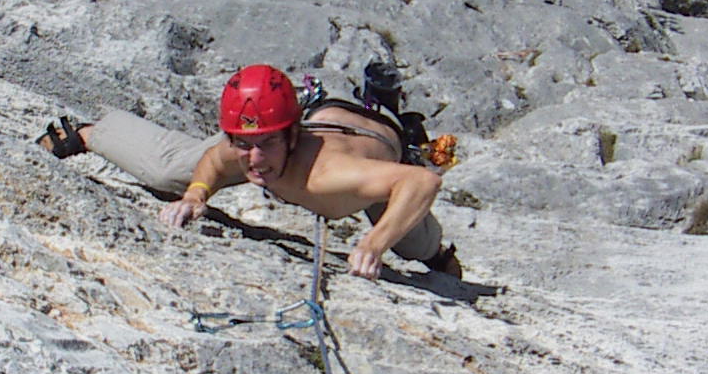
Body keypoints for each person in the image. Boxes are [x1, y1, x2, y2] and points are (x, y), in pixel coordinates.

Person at [39, 65, 460, 280]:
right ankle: (88, 132)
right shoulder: (248, 147)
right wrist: (196, 194)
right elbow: (214, 160)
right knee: (168, 172)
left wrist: (374, 244)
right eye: (242, 143)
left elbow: (422, 181)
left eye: (267, 144)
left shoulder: (331, 174)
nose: (254, 159)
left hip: (375, 142)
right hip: (314, 118)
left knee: (417, 247)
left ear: (292, 136)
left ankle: (385, 107)